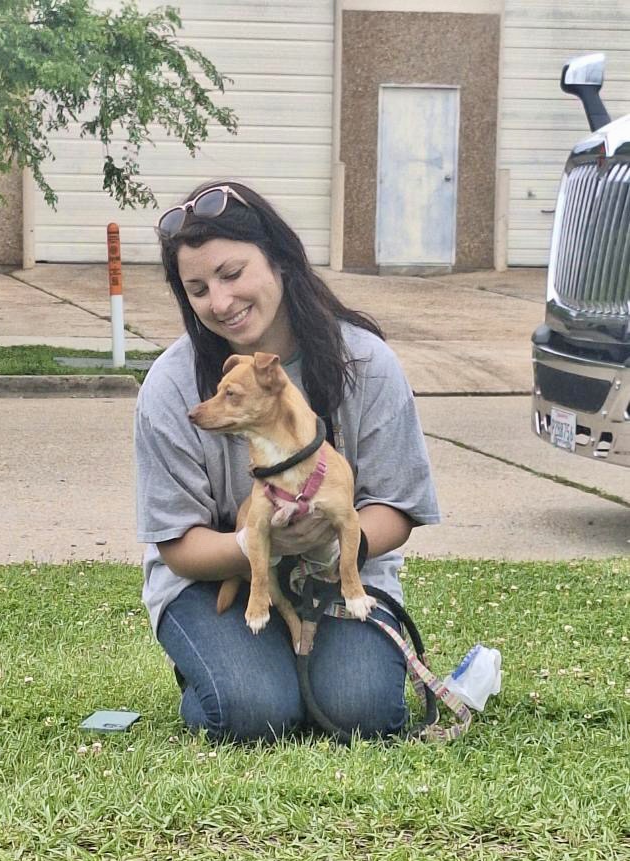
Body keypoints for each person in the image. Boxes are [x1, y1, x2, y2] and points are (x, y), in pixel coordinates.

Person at [134, 180, 440, 743]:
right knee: (256, 714)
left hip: (337, 573)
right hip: (214, 579)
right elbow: (177, 545)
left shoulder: (365, 363)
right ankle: (231, 675)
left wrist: (327, 547)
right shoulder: (172, 386)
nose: (219, 303)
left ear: (280, 259)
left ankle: (282, 667)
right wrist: (258, 547)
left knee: (362, 711)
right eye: (197, 288)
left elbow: (397, 507)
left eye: (231, 274)